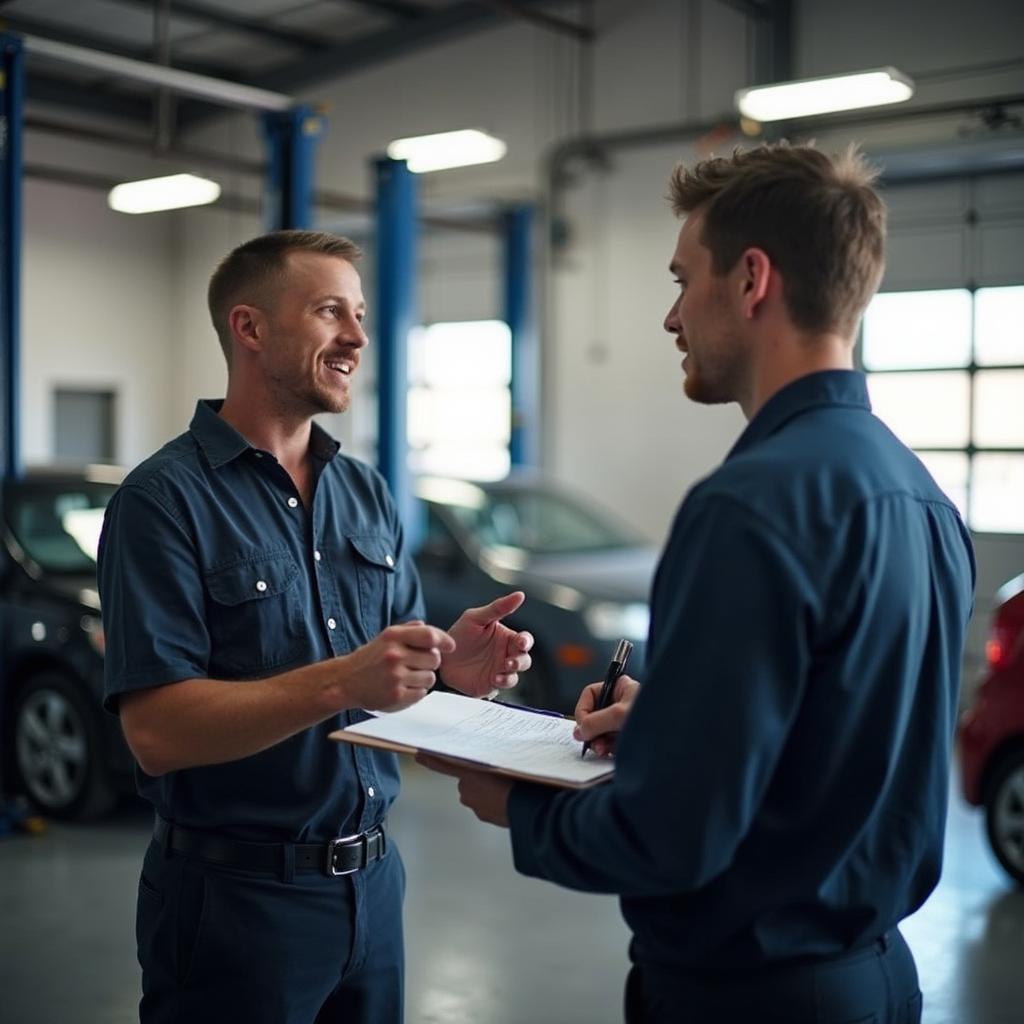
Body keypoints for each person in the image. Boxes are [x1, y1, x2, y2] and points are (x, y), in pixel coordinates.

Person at [419, 143, 976, 1023]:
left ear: (752, 280)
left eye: (683, 281)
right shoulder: (919, 495)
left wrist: (520, 810)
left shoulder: (748, 507)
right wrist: (676, 721)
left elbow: (672, 839)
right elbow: (842, 739)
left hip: (752, 997)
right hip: (877, 979)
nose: (673, 317)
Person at [97, 229, 534, 1024]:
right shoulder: (161, 503)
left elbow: (386, 695)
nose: (359, 338)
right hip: (235, 903)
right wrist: (343, 679)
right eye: (331, 312)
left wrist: (447, 674)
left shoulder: (364, 493)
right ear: (250, 327)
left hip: (373, 886)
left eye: (360, 315)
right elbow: (156, 732)